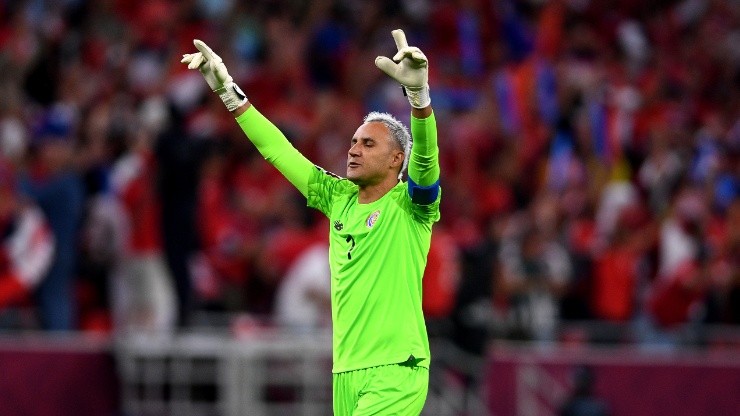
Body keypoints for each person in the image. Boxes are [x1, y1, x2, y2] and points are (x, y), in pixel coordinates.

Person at [182, 28, 440, 415]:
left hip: (397, 369)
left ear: (395, 161)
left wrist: (419, 100)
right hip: (347, 372)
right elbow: (278, 150)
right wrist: (228, 91)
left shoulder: (412, 206)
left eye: (368, 144)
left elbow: (425, 161)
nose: (354, 149)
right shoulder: (337, 198)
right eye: (354, 142)